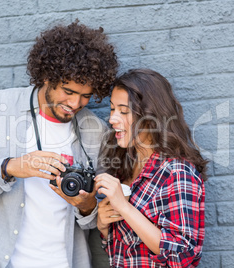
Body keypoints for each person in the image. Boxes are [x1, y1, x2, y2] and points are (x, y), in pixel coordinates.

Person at [0, 20, 118, 268]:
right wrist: (10, 167)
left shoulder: (96, 132)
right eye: (68, 91)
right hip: (5, 262)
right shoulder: (0, 106)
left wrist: (86, 205)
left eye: (85, 96)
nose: (75, 104)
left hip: (67, 261)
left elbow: (99, 217)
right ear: (47, 77)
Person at [95, 69, 207, 267]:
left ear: (150, 116)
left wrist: (124, 207)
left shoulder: (177, 173)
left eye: (123, 110)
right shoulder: (125, 169)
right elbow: (127, 252)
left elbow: (182, 257)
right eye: (112, 109)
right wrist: (104, 227)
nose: (112, 119)